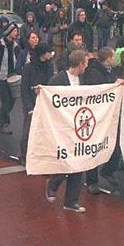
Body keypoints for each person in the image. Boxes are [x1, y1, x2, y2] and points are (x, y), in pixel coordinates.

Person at [45, 49, 89, 213]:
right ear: (80, 64)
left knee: (79, 163)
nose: (87, 66)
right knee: (66, 161)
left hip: (78, 128)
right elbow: (49, 99)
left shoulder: (84, 79)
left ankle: (71, 201)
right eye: (86, 63)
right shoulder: (58, 80)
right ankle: (53, 183)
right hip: (62, 128)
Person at [82, 47, 119, 194]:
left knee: (116, 144)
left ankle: (108, 170)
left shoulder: (111, 71)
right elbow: (96, 92)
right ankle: (92, 182)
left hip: (110, 114)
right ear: (107, 58)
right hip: (97, 116)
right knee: (94, 148)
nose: (115, 58)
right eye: (113, 56)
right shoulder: (93, 73)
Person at [20, 43, 54, 166]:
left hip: (44, 103)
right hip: (32, 103)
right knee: (28, 130)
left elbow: (51, 83)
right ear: (43, 53)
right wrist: (29, 107)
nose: (51, 54)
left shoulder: (49, 66)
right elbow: (24, 88)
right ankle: (24, 155)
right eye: (49, 52)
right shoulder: (29, 68)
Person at [0, 23, 19, 135]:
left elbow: (18, 59)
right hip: (2, 77)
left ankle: (0, 116)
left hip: (13, 76)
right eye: (14, 31)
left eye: (17, 31)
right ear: (9, 32)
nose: (16, 33)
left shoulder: (16, 45)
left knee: (13, 100)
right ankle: (5, 123)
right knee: (6, 100)